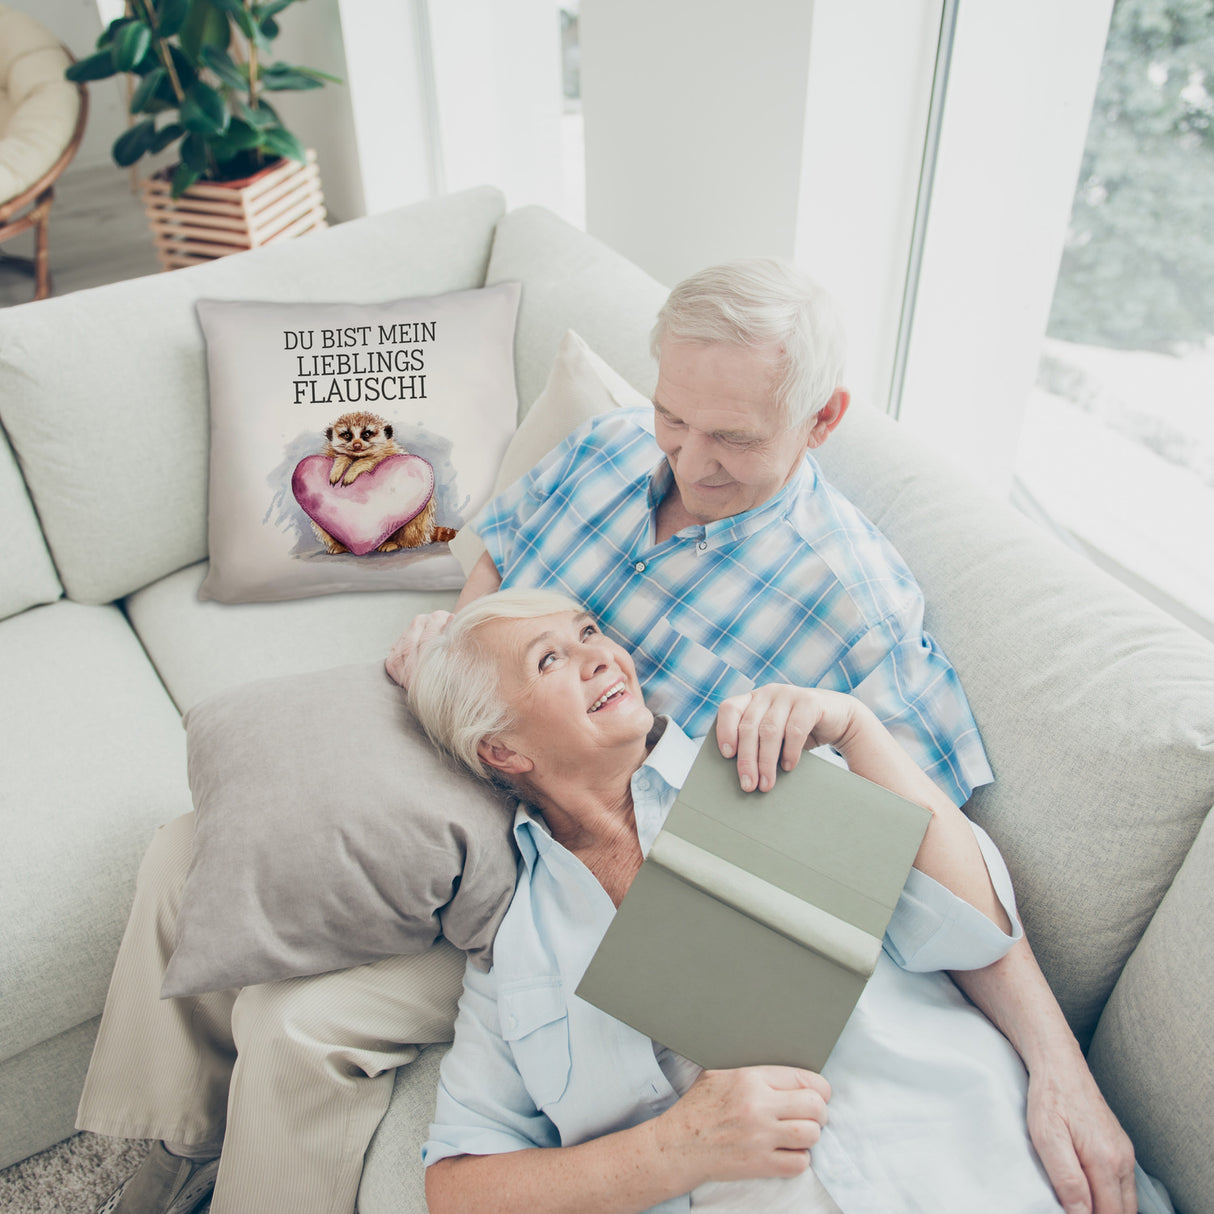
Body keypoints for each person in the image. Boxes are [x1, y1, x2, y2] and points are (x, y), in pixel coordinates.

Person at [389, 259, 1136, 1213]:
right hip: (493, 832)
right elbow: (500, 550)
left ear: (822, 420)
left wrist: (1058, 1069)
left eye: (732, 438)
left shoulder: (832, 658)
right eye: (674, 418)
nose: (689, 463)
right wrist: (463, 657)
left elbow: (945, 886)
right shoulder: (608, 450)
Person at [407, 588, 1161, 1214]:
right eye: (551, 659)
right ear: (502, 750)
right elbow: (458, 1188)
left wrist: (859, 731)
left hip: (986, 1168)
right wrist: (674, 1149)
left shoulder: (762, 762)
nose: (601, 654)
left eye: (589, 632)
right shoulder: (516, 951)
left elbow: (973, 929)